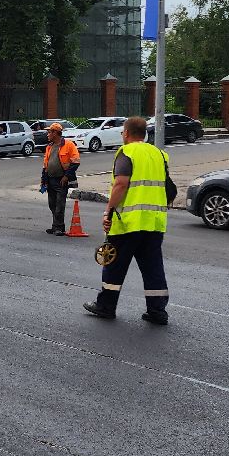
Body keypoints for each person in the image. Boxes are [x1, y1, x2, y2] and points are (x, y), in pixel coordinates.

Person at [84, 116, 174, 325]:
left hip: (127, 222)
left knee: (114, 264)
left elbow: (121, 184)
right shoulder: (160, 154)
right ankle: (157, 311)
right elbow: (168, 187)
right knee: (153, 267)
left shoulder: (126, 152)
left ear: (126, 133)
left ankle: (106, 306)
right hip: (153, 223)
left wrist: (108, 211)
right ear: (145, 134)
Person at [39, 123, 81, 235]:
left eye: (49, 132)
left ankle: (59, 227)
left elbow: (75, 162)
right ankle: (56, 226)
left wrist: (66, 176)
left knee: (59, 204)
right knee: (52, 204)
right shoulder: (49, 147)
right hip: (50, 179)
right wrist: (44, 180)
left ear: (55, 133)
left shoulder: (68, 144)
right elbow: (45, 165)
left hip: (62, 180)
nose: (47, 134)